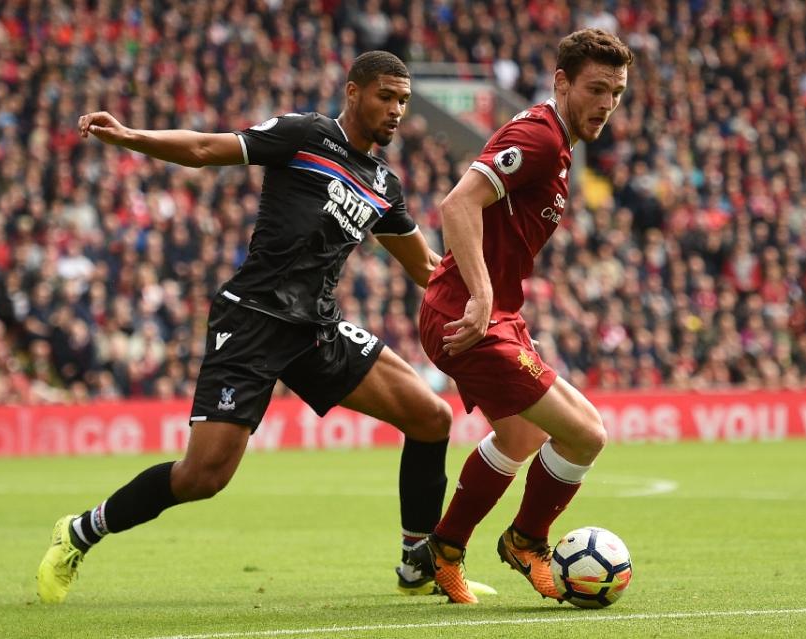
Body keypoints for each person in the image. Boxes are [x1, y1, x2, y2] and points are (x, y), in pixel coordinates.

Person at [37, 51, 493, 603]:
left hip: (316, 328)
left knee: (430, 417)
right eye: (386, 97)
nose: (397, 110)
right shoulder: (305, 136)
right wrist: (131, 136)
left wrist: (492, 307)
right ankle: (80, 532)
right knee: (202, 477)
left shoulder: (384, 185)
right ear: (353, 92)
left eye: (403, 100)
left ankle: (418, 564)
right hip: (253, 317)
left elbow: (425, 269)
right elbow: (207, 148)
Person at [408, 29, 634, 604]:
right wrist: (481, 297)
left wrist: (489, 299)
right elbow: (458, 203)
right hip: (472, 317)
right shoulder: (538, 136)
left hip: (495, 313)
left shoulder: (557, 143)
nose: (606, 104)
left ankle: (444, 549)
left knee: (524, 432)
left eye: (617, 91)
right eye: (596, 88)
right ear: (562, 83)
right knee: (585, 435)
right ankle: (526, 541)